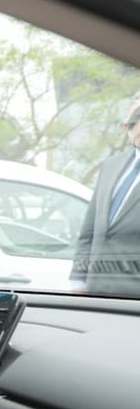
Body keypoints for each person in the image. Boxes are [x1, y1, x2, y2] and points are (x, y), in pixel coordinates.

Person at [71, 94, 140, 296]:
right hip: (95, 297)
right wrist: (78, 281)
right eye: (132, 120)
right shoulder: (111, 165)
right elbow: (89, 232)